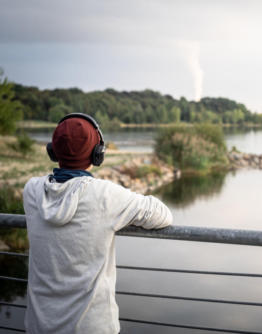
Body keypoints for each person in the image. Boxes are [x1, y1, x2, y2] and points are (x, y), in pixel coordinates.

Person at [23, 113, 173, 333]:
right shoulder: (105, 195)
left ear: (53, 151)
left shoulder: (32, 191)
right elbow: (163, 215)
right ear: (97, 154)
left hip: (39, 326)